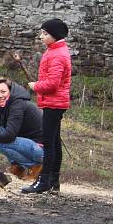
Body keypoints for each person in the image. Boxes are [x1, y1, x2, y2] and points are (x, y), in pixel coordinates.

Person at [21, 18, 72, 194]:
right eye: (42, 32)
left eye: (45, 33)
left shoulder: (58, 55)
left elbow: (52, 84)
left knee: (48, 143)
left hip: (54, 102)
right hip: (55, 102)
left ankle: (43, 181)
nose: (41, 36)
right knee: (55, 142)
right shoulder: (55, 51)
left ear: (54, 35)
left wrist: (36, 86)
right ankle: (53, 182)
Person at [0, 77, 44, 180]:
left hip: (41, 149)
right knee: (0, 132)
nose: (0, 95)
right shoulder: (4, 105)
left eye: (3, 91)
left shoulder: (17, 105)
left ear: (11, 91)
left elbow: (9, 135)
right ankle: (18, 168)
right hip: (30, 145)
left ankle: (36, 166)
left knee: (1, 142)